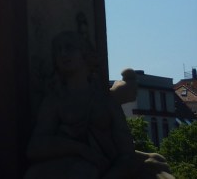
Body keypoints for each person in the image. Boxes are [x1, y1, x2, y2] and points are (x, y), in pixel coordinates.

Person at [25, 31, 174, 179]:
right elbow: (35, 147)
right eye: (58, 50)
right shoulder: (55, 101)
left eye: (69, 47)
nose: (63, 54)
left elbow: (127, 154)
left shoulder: (105, 101)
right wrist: (79, 149)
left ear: (85, 54)